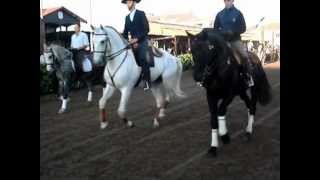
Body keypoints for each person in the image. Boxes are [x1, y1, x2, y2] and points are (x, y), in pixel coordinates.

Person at [213, 0, 254, 87]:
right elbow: (215, 29)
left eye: (229, 0)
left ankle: (248, 77)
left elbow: (243, 28)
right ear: (224, 2)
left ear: (233, 1)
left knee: (244, 56)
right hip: (223, 42)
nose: (227, 2)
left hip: (235, 41)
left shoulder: (238, 13)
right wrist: (221, 34)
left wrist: (234, 32)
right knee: (212, 56)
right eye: (226, 1)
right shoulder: (219, 14)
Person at [122, 0, 151, 90]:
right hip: (132, 43)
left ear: (134, 3)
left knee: (142, 57)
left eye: (129, 2)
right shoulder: (126, 18)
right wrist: (124, 40)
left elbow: (147, 29)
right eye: (126, 2)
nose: (127, 4)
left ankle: (147, 81)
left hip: (143, 40)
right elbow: (125, 33)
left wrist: (136, 39)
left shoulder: (141, 14)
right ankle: (134, 80)